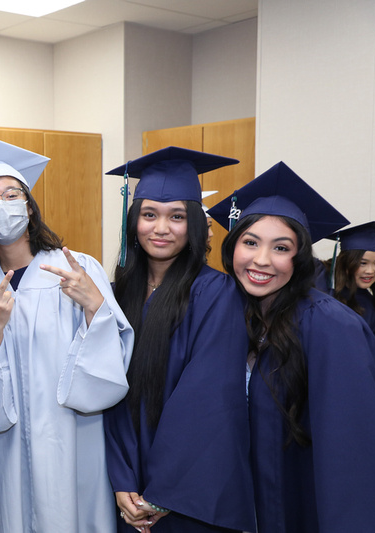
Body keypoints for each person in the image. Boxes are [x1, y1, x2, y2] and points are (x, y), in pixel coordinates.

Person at [0, 134, 133, 532]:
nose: (1, 205)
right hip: (12, 449)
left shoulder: (77, 267)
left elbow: (116, 356)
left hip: (76, 437)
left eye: (11, 194)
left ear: (29, 207)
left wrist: (94, 306)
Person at [209, 162, 375, 532]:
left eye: (281, 247)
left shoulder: (332, 327)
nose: (261, 260)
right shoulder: (234, 316)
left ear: (299, 258)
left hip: (305, 508)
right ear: (232, 246)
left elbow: (353, 455)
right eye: (250, 242)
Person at [104, 147, 255, 533]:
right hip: (126, 484)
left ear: (194, 225)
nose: (161, 228)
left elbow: (206, 400)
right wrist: (121, 479)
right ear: (133, 221)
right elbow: (106, 387)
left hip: (187, 490)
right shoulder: (118, 293)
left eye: (176, 217)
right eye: (149, 215)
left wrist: (160, 493)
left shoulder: (216, 292)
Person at [320, 221, 375, 343]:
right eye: (362, 263)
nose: (370, 271)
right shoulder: (319, 279)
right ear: (346, 261)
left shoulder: (370, 308)